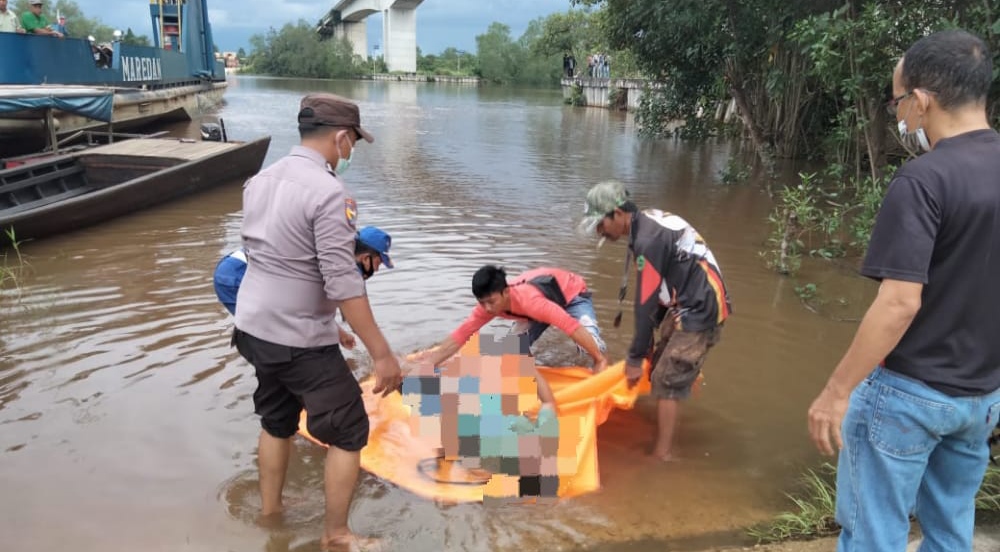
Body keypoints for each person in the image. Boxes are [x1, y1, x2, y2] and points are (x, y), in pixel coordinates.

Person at [806, 29, 1000, 551]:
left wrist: (836, 392)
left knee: (873, 536)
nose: (900, 117)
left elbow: (898, 303)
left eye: (898, 103)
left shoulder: (923, 181)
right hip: (980, 399)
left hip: (909, 394)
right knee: (950, 531)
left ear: (921, 101)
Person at [231, 92, 402, 550]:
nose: (350, 153)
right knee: (349, 428)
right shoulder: (329, 193)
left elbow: (271, 257)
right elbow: (343, 282)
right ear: (342, 138)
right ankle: (338, 536)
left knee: (277, 418)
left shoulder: (260, 180)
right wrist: (382, 355)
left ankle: (271, 515)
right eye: (353, 144)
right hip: (295, 334)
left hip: (252, 326)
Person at [579, 180, 731, 462]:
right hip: (683, 300)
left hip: (701, 307)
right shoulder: (644, 226)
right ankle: (668, 418)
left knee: (666, 378)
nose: (600, 231)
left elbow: (645, 301)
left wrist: (635, 357)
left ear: (619, 214)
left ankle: (663, 455)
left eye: (601, 223)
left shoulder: (648, 239)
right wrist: (646, 346)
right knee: (659, 362)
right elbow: (657, 290)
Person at [422, 265, 609, 407]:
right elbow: (460, 336)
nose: (487, 308)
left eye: (491, 302)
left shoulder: (533, 303)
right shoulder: (487, 307)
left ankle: (600, 357)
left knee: (592, 347)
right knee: (512, 350)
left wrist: (599, 359)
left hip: (572, 295)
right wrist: (427, 366)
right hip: (539, 302)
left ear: (505, 292)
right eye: (482, 302)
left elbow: (571, 327)